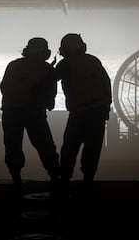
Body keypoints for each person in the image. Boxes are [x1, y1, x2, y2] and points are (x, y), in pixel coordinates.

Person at [0, 37, 60, 195]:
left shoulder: (14, 66)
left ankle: (17, 182)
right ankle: (56, 179)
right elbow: (50, 100)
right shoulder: (48, 70)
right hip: (33, 113)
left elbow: (5, 88)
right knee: (46, 147)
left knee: (13, 148)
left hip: (13, 112)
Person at [55, 33, 112, 197]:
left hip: (79, 113)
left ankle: (64, 183)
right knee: (92, 150)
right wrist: (106, 108)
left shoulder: (65, 64)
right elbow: (106, 84)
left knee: (69, 150)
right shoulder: (93, 61)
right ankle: (87, 183)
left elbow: (49, 80)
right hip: (98, 113)